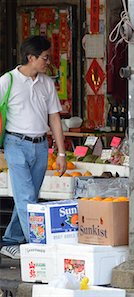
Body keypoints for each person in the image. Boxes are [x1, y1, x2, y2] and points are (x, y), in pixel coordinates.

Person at [0, 36, 66, 259]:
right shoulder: (7, 81)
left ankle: (10, 240)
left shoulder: (47, 82)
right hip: (15, 144)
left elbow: (54, 118)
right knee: (26, 197)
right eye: (45, 58)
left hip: (40, 147)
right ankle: (38, 249)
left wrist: (62, 153)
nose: (48, 62)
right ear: (31, 57)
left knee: (29, 197)